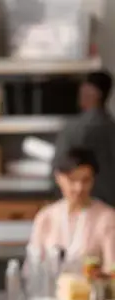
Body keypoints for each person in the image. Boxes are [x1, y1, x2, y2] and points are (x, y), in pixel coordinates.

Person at [29, 147, 115, 273]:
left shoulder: (107, 218)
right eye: (72, 180)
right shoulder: (45, 217)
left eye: (85, 180)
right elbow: (32, 269)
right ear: (58, 178)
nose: (79, 188)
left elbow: (112, 269)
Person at [53, 70, 115, 207]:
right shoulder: (111, 127)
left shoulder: (74, 129)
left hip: (83, 204)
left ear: (93, 92)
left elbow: (59, 168)